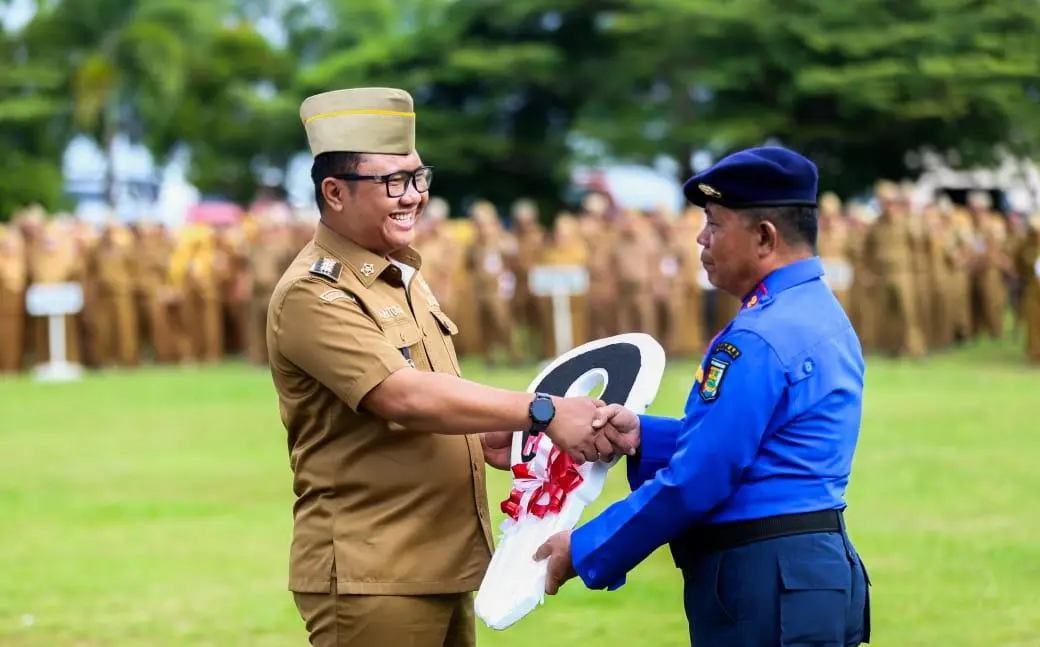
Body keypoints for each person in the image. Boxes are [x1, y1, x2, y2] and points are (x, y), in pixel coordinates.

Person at [265, 87, 636, 647]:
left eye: (418, 178)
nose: (412, 196)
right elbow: (404, 397)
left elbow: (434, 399)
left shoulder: (400, 277)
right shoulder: (315, 294)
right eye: (392, 182)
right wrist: (542, 411)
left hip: (441, 562)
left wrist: (490, 434)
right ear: (334, 193)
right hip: (376, 572)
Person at [536, 146, 872, 646]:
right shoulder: (815, 309)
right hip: (808, 572)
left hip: (766, 580)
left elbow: (700, 478)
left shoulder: (759, 335)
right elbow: (758, 446)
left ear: (764, 237)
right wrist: (642, 436)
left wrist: (583, 548)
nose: (701, 237)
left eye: (714, 223)